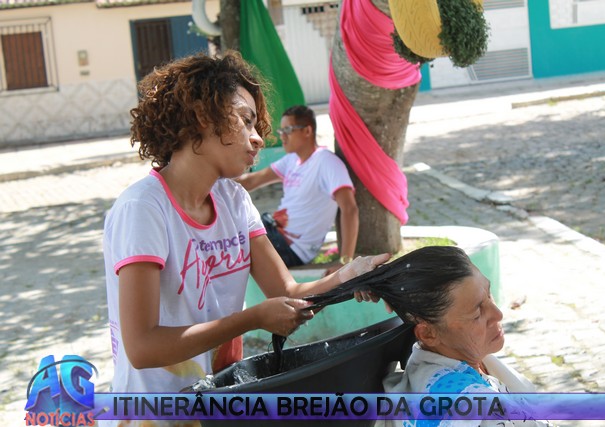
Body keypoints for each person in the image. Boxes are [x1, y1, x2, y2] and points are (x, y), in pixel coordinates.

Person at [102, 52, 388, 426]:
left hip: (217, 406)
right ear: (202, 116)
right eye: (245, 120)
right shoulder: (143, 209)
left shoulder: (234, 201)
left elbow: (287, 293)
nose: (258, 138)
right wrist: (251, 319)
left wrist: (348, 277)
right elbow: (142, 348)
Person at [303, 246, 552, 427]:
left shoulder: (468, 361)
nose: (498, 314)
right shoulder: (460, 403)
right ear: (428, 333)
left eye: (489, 295)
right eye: (477, 313)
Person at [236, 105, 358, 273]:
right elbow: (251, 181)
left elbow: (350, 209)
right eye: (281, 131)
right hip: (273, 231)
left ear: (307, 131)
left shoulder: (326, 161)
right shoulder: (291, 160)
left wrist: (345, 261)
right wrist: (211, 182)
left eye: (288, 130)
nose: (283, 136)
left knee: (230, 243)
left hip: (291, 248)